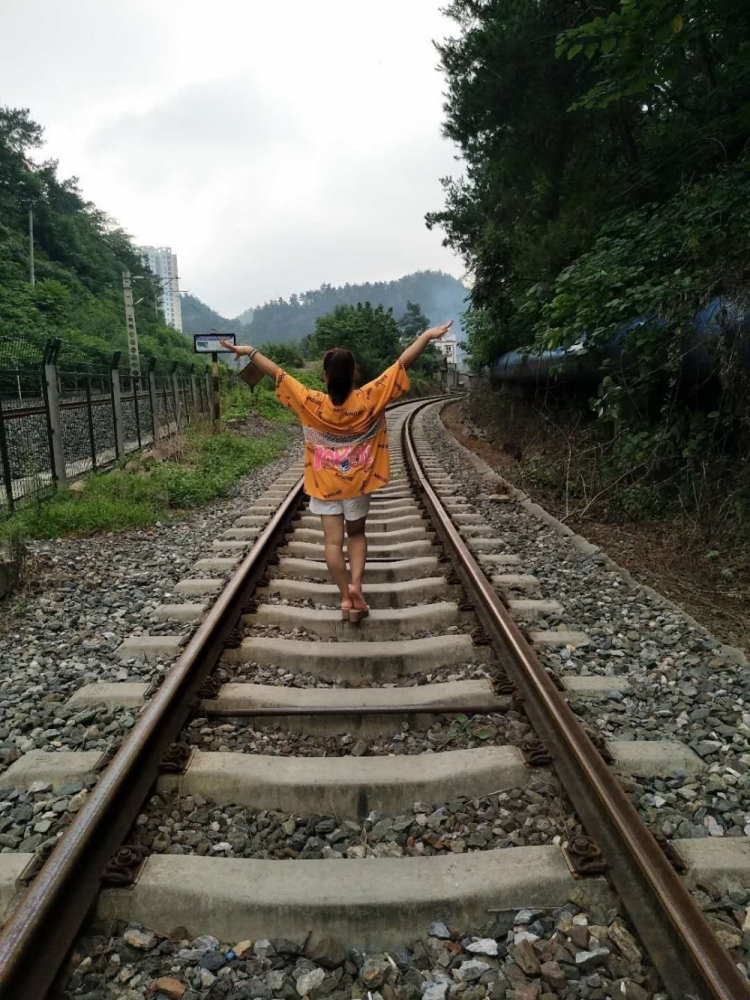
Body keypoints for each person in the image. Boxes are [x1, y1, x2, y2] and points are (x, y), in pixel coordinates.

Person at [221, 320, 453, 621]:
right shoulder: (370, 397)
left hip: (324, 484)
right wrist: (427, 335)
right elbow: (401, 364)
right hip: (358, 483)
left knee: (332, 542)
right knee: (356, 534)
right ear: (354, 373)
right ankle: (356, 585)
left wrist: (250, 351)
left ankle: (345, 597)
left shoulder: (311, 402)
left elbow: (277, 373)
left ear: (325, 376)